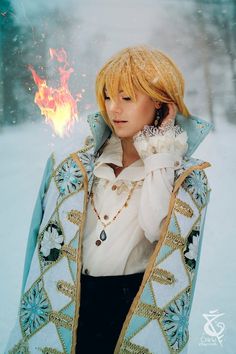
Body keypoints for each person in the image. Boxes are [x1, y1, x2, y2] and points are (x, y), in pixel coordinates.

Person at [5, 45, 213, 354]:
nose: (114, 108)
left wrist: (159, 151)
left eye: (127, 98)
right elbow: (38, 250)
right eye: (108, 96)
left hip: (129, 311)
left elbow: (157, 229)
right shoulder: (77, 166)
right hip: (69, 307)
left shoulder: (182, 176)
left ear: (160, 102)